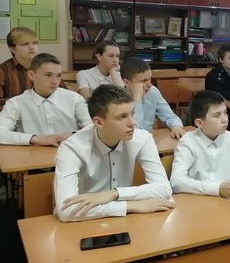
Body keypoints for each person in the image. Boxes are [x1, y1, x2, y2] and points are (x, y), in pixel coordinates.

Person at [53, 84, 175, 222]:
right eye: (122, 117)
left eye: (132, 113)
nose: (132, 123)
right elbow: (66, 211)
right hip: (82, 222)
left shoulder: (142, 139)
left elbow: (164, 189)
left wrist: (114, 194)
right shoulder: (71, 148)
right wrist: (130, 206)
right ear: (98, 122)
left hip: (121, 220)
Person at [170, 90, 230, 196]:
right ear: (199, 123)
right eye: (217, 115)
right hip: (196, 201)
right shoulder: (188, 142)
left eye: (225, 112)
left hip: (224, 201)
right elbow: (176, 181)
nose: (224, 119)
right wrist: (217, 188)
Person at [0, 53, 91, 146]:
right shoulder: (16, 103)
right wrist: (36, 139)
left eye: (58, 75)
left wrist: (74, 135)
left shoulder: (74, 99)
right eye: (48, 75)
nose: (55, 81)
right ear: (31, 75)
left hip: (70, 150)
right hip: (32, 153)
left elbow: (93, 127)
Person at [119, 57, 186, 138]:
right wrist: (137, 100)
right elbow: (135, 132)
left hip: (149, 140)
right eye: (144, 81)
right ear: (126, 82)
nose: (150, 84)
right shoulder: (117, 100)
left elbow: (169, 116)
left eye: (150, 78)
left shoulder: (152, 91)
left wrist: (176, 126)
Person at [0, 27, 39, 100]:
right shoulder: (2, 71)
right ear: (13, 49)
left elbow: (60, 95)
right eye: (25, 44)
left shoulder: (44, 67)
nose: (32, 47)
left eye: (34, 43)